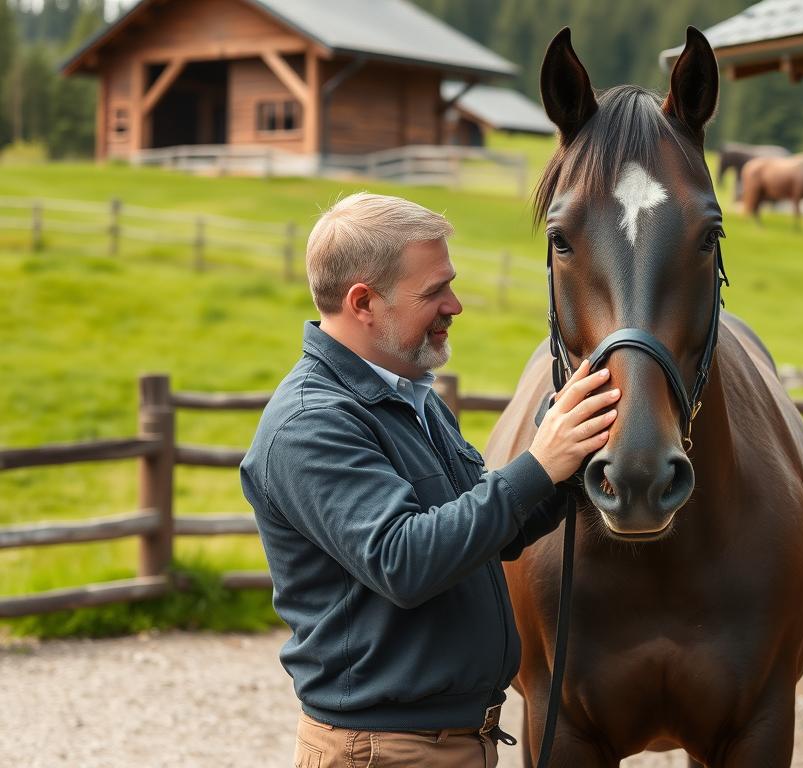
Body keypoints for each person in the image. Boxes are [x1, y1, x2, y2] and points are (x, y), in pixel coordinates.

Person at [240, 192, 619, 768]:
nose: (455, 305)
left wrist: (571, 459)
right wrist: (537, 465)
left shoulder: (410, 396)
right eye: (433, 290)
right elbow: (405, 560)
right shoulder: (310, 424)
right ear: (363, 302)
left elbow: (488, 532)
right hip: (386, 753)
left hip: (448, 744)